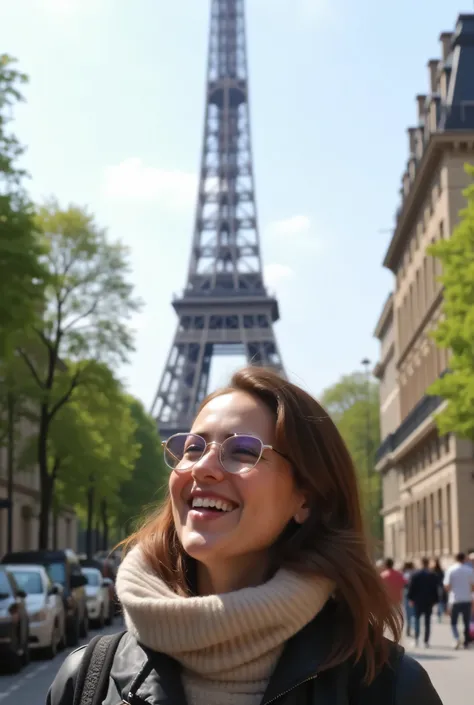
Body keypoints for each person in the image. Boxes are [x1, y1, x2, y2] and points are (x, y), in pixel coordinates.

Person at [47, 367, 442, 705]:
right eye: (192, 447)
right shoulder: (86, 681)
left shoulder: (390, 689)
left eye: (242, 451)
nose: (203, 467)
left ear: (306, 497)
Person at [443, 551, 474, 649]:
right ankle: (466, 641)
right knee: (466, 621)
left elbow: (447, 586)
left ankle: (456, 638)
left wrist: (453, 589)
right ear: (464, 559)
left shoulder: (451, 570)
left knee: (453, 622)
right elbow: (473, 585)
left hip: (454, 599)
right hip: (467, 599)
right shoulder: (469, 570)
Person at [407, 557, 439, 648]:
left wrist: (410, 598)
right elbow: (435, 589)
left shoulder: (416, 574)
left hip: (417, 600)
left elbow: (411, 587)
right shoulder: (432, 575)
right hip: (429, 601)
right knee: (427, 621)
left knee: (417, 620)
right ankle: (426, 641)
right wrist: (435, 600)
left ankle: (416, 639)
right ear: (428, 563)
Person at [402, 561, 415, 637]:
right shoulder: (414, 573)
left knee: (408, 613)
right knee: (413, 613)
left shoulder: (405, 574)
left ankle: (409, 628)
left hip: (407, 593)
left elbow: (404, 584)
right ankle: (412, 628)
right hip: (414, 594)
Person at [431, 557, 446, 622]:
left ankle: (437, 614)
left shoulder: (433, 571)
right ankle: (439, 614)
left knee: (434, 601)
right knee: (439, 601)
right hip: (439, 587)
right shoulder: (440, 571)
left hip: (434, 587)